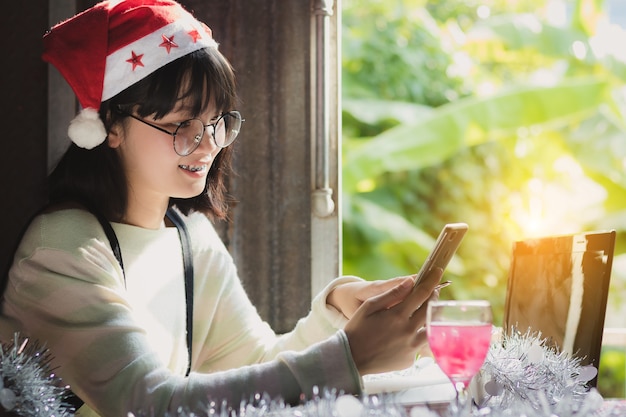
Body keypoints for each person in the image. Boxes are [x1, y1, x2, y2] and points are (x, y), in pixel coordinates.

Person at [0, 1, 442, 416]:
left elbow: (255, 365)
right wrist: (351, 356)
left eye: (218, 122)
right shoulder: (64, 249)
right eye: (181, 125)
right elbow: (151, 404)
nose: (208, 144)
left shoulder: (189, 237)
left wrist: (339, 313)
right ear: (110, 126)